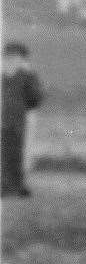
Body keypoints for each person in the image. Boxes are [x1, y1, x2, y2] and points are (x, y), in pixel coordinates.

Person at [2, 41, 44, 197]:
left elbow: (35, 98)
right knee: (12, 152)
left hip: (20, 118)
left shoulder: (26, 75)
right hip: (13, 118)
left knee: (20, 152)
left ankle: (16, 185)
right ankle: (11, 186)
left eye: (14, 56)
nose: (11, 59)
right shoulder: (15, 75)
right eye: (9, 56)